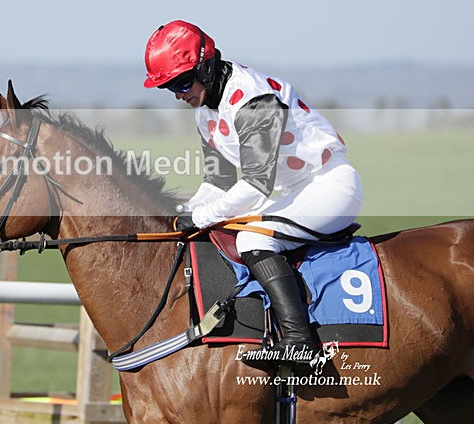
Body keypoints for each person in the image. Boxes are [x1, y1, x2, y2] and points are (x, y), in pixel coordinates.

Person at [143, 20, 363, 368]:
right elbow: (218, 183)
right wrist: (175, 213)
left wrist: (199, 216)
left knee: (250, 240)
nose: (179, 94)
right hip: (295, 189)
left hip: (330, 185)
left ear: (207, 65)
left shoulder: (253, 98)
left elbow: (256, 184)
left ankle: (300, 342)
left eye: (182, 83)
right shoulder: (205, 113)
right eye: (169, 87)